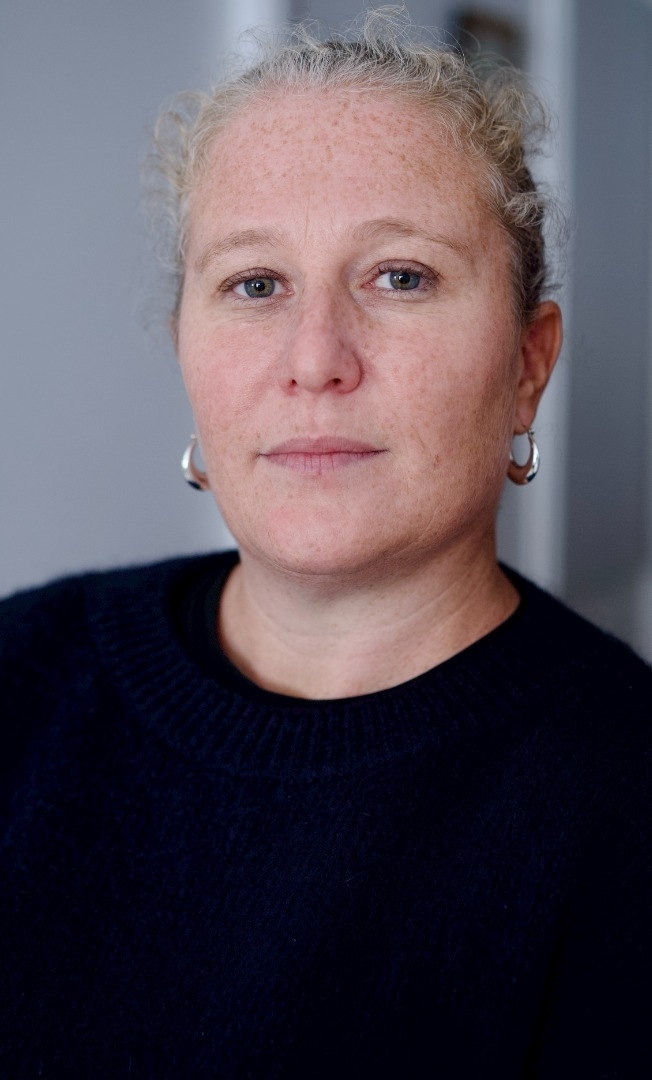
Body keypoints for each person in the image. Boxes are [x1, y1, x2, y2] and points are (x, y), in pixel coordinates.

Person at [1, 10, 651, 1078]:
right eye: (255, 284)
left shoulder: (624, 802)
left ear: (527, 364)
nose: (315, 359)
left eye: (401, 276)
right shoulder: (20, 672)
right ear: (184, 346)